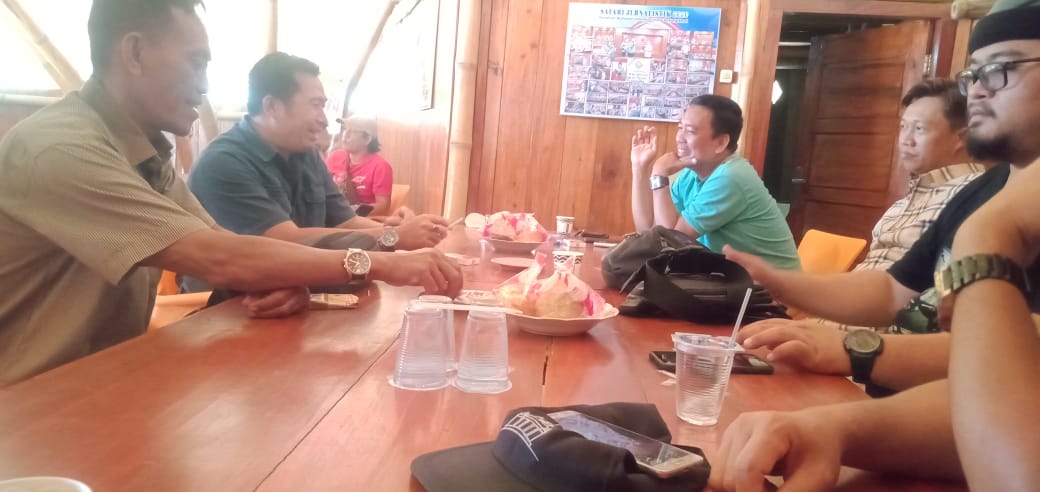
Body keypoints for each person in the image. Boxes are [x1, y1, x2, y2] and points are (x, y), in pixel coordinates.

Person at [0, 0, 461, 387]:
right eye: (196, 63)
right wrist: (381, 261)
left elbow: (228, 244)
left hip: (108, 383)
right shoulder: (60, 149)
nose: (204, 85)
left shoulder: (143, 151)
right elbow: (220, 257)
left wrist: (278, 280)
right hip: (26, 411)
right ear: (135, 53)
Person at [709, 5, 1040, 489]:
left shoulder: (991, 213)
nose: (978, 90)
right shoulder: (986, 191)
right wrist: (833, 429)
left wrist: (986, 237)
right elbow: (893, 292)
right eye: (973, 74)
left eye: (1001, 68)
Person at [188, 52, 444, 250]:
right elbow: (285, 242)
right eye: (315, 105)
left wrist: (403, 229)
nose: (323, 119)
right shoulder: (224, 162)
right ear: (272, 106)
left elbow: (346, 222)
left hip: (303, 287)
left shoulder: (305, 154)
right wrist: (394, 236)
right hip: (231, 300)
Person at [809, 79, 984, 333]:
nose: (905, 140)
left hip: (872, 342)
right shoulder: (902, 204)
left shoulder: (972, 194)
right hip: (836, 325)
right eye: (903, 127)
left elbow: (928, 305)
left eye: (919, 129)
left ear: (962, 138)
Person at [630, 95, 800, 270]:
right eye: (680, 127)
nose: (679, 137)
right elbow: (649, 235)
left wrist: (659, 175)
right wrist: (639, 168)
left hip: (770, 285)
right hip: (730, 280)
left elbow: (667, 243)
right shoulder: (689, 174)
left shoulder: (731, 177)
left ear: (720, 143)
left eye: (690, 131)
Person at [325, 116, 395, 216]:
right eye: (345, 129)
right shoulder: (335, 157)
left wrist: (351, 212)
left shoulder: (381, 167)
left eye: (352, 131)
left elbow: (383, 207)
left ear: (367, 139)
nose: (345, 135)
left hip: (359, 219)